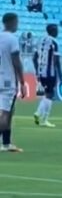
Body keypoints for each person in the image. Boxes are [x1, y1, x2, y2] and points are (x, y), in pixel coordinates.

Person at [0, 13, 26, 152]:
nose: (17, 24)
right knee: (5, 114)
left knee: (10, 111)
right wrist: (22, 82)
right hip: (8, 81)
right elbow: (16, 61)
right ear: (10, 22)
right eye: (17, 22)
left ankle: (6, 143)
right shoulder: (12, 39)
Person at [33, 24, 62, 128]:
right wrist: (60, 75)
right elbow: (56, 61)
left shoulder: (40, 41)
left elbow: (34, 58)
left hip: (41, 72)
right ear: (53, 31)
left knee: (46, 94)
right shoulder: (54, 42)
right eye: (57, 30)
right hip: (50, 72)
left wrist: (37, 71)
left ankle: (39, 114)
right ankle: (42, 117)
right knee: (50, 95)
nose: (58, 32)